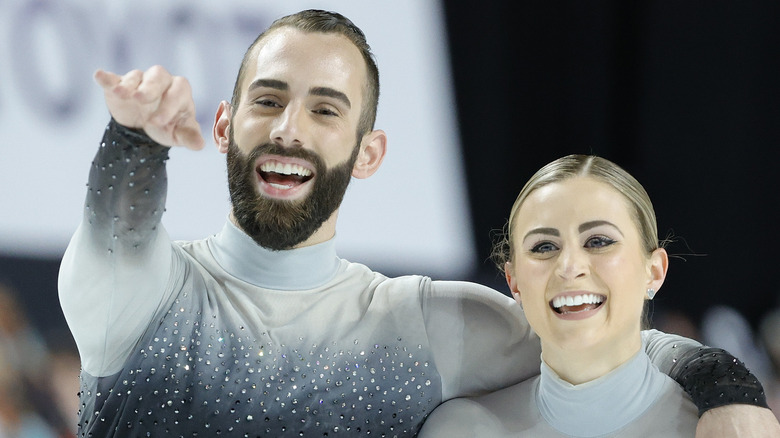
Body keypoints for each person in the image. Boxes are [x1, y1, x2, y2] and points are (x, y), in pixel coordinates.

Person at [58, 9, 774, 437]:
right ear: (224, 125)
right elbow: (117, 228)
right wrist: (135, 139)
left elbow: (610, 340)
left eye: (326, 109)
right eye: (267, 101)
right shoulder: (145, 298)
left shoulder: (427, 326)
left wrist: (727, 389)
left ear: (369, 153)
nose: (289, 129)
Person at [419, 155, 780, 437]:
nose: (569, 265)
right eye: (544, 246)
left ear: (654, 271)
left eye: (598, 241)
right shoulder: (460, 430)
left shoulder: (720, 428)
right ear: (514, 282)